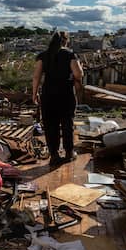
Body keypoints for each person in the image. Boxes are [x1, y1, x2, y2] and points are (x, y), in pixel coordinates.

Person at [32, 31, 83, 166]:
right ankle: (69, 153)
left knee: (50, 125)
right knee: (67, 124)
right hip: (66, 94)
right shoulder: (70, 55)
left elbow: (36, 77)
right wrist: (76, 74)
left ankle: (54, 155)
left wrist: (34, 93)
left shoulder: (43, 56)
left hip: (48, 95)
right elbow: (78, 74)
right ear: (65, 41)